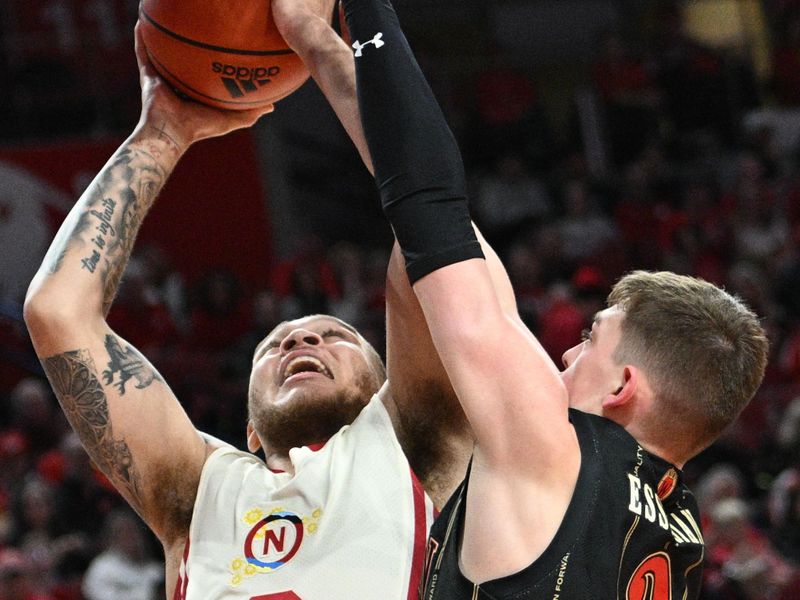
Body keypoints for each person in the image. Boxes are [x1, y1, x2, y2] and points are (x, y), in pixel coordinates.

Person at [277, 0, 769, 597]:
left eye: (591, 340)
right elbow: (441, 229)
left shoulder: (555, 452)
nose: (566, 352)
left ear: (623, 387)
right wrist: (323, 49)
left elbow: (427, 202)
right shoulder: (680, 537)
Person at [23, 18, 488, 600]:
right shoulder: (196, 490)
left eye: (334, 335)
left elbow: (437, 230)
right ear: (248, 427)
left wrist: (323, 51)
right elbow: (58, 314)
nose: (299, 342)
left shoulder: (416, 440)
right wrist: (161, 132)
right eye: (275, 346)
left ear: (385, 385)